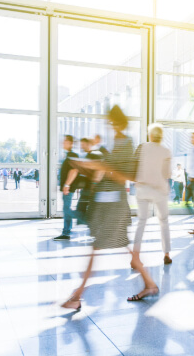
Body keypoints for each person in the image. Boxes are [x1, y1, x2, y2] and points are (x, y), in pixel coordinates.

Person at [61, 105, 159, 309]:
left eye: (110, 121)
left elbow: (123, 175)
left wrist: (97, 166)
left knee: (97, 249)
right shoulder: (117, 142)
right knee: (115, 247)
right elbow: (108, 170)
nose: (108, 124)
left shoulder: (124, 143)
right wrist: (89, 166)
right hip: (108, 204)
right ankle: (149, 284)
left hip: (113, 205)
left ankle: (77, 297)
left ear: (116, 121)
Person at [135, 124, 174, 265]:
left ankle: (136, 257)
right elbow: (167, 174)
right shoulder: (166, 151)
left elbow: (135, 166)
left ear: (150, 135)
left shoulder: (142, 147)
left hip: (142, 188)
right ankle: (166, 254)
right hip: (159, 190)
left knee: (141, 222)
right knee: (163, 221)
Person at [57, 135, 82, 240]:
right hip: (67, 187)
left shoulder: (72, 155)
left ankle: (66, 232)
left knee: (66, 209)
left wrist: (67, 185)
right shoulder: (68, 155)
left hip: (69, 187)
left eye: (65, 141)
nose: (63, 143)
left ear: (71, 143)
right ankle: (68, 229)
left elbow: (74, 171)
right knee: (66, 208)